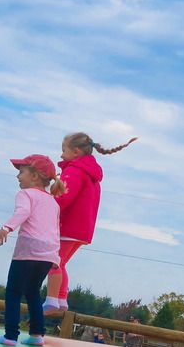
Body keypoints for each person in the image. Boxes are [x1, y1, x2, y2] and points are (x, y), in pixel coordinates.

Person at [42, 132, 137, 316]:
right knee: (61, 262)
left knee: (53, 261)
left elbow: (63, 198)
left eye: (64, 150)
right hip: (82, 230)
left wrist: (45, 204)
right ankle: (61, 299)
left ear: (76, 152)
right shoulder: (91, 176)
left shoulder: (75, 171)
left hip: (67, 226)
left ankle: (52, 299)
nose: (61, 155)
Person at [0, 155, 65, 347]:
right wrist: (55, 257)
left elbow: (23, 212)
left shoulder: (26, 194)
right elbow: (55, 229)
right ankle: (37, 334)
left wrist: (6, 228)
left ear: (35, 176)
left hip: (29, 250)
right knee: (33, 292)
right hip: (48, 253)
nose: (18, 176)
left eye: (21, 172)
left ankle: (11, 336)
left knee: (13, 291)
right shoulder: (53, 202)